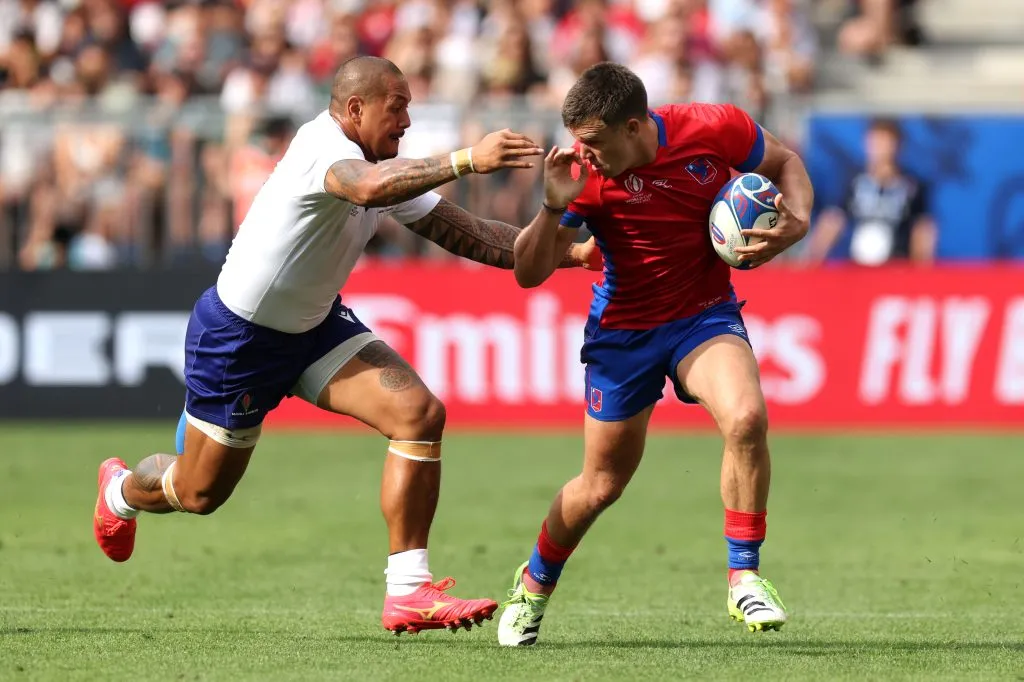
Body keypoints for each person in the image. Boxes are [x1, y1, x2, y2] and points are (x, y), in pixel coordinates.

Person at [92, 56, 595, 637]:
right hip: (240, 340)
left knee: (419, 414)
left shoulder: (378, 164)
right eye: (397, 107)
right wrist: (465, 159)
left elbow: (468, 234)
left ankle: (408, 591)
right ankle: (120, 492)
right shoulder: (322, 147)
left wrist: (571, 253)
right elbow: (366, 187)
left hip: (316, 330)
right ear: (355, 109)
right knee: (199, 492)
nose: (407, 121)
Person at [497, 62, 814, 646]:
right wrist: (550, 207)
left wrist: (798, 222)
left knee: (746, 417)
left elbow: (785, 162)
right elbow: (528, 273)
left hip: (703, 316)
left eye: (594, 142)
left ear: (634, 127)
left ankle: (744, 575)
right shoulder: (584, 175)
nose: (584, 154)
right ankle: (534, 585)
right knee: (601, 485)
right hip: (624, 334)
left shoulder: (713, 127)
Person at [802, 117, 935, 266]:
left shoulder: (911, 185)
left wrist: (921, 267)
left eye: (884, 143)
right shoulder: (854, 182)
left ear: (896, 146)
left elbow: (922, 228)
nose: (878, 149)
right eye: (874, 143)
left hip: (897, 266)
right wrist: (812, 260)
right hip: (859, 267)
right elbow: (833, 220)